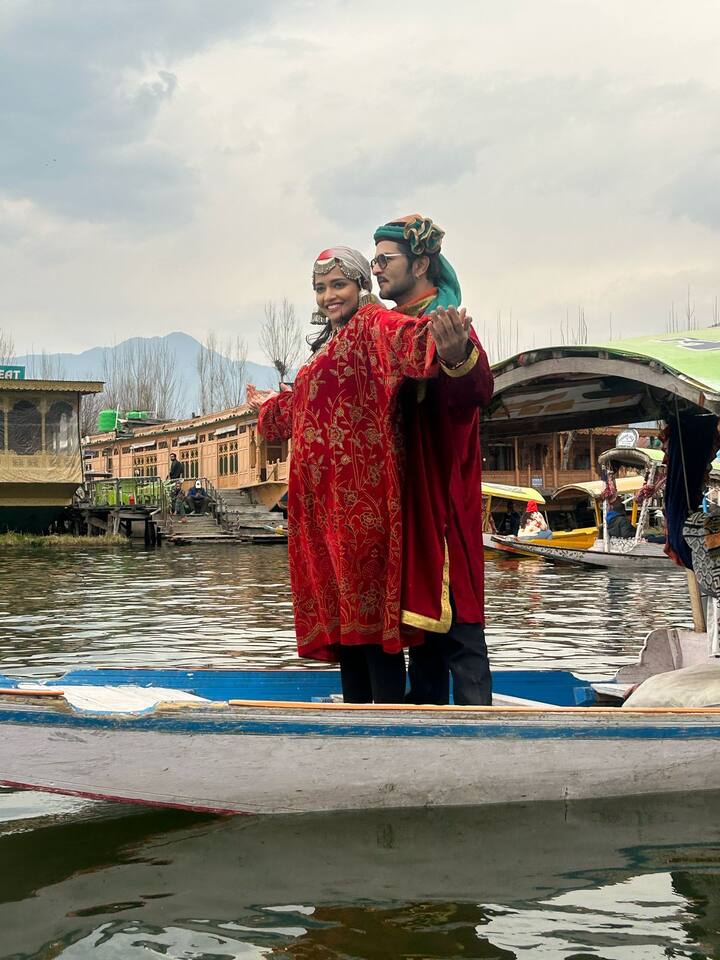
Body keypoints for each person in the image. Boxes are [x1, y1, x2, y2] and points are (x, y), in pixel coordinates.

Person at [257, 246, 482, 704]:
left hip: (365, 505)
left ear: (360, 286)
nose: (328, 296)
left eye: (338, 285)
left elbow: (414, 341)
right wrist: (267, 409)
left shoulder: (372, 326)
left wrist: (450, 341)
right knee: (346, 627)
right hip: (324, 513)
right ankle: (358, 718)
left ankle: (384, 721)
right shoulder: (327, 346)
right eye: (320, 288)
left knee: (371, 625)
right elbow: (297, 411)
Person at [372, 215, 494, 705]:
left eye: (387, 259)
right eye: (374, 260)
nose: (378, 268)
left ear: (420, 263)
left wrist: (455, 354)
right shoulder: (380, 329)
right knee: (418, 634)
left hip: (441, 494)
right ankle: (423, 728)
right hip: (397, 505)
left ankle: (479, 733)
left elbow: (477, 389)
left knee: (460, 622)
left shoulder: (445, 324)